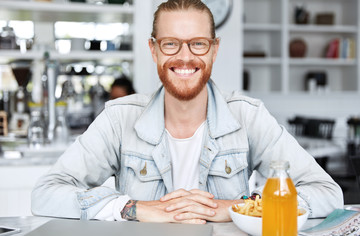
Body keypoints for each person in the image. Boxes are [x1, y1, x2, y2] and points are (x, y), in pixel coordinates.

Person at [32, 0, 343, 224]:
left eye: (197, 44)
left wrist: (240, 207)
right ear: (153, 49)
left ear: (214, 49)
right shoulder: (119, 119)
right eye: (170, 44)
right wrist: (133, 208)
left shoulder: (248, 116)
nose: (184, 57)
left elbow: (328, 194)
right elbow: (46, 194)